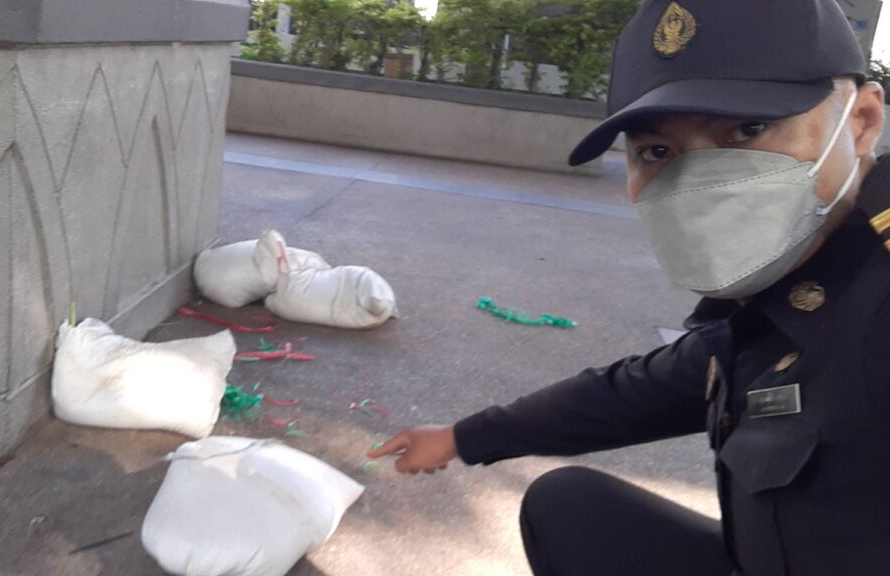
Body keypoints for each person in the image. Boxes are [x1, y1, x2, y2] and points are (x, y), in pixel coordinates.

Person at [368, 1, 890, 575]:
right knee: (570, 508)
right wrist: (461, 437)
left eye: (748, 129)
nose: (699, 183)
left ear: (862, 121)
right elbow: (638, 391)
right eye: (657, 151)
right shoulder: (786, 297)